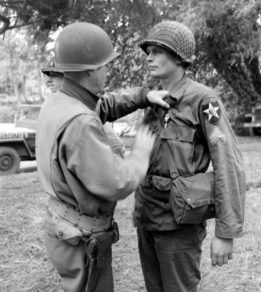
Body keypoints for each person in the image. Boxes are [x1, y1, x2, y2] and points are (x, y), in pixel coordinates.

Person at [36, 22, 169, 292]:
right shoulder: (80, 122)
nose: (107, 71)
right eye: (104, 65)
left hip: (64, 226)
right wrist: (140, 154)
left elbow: (103, 105)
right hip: (81, 240)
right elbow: (116, 182)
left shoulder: (59, 101)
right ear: (89, 70)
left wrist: (144, 96)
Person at [130, 20, 246, 292]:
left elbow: (228, 163)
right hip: (147, 217)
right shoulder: (152, 100)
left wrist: (226, 232)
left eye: (158, 51)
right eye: (149, 51)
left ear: (179, 57)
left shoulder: (203, 100)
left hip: (179, 225)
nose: (149, 57)